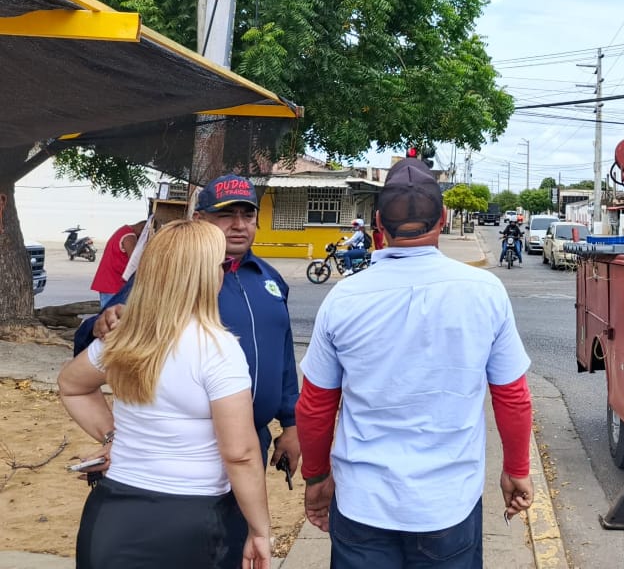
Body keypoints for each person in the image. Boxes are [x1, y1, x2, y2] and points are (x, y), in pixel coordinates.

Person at [296, 157, 534, 569]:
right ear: (443, 217)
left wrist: (316, 478)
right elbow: (512, 396)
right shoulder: (484, 292)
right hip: (448, 503)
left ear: (377, 223)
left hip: (362, 502)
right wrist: (516, 468)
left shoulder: (344, 299)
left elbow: (315, 405)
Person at [78, 174, 300, 569]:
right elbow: (99, 344)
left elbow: (283, 355)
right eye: (225, 215)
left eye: (247, 214)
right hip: (190, 454)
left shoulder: (270, 280)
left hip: (251, 441)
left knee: (232, 547)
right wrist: (100, 323)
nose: (238, 224)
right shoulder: (169, 277)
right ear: (200, 220)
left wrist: (292, 423)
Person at [90, 219, 149, 307]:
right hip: (113, 284)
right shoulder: (129, 236)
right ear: (142, 229)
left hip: (108, 282)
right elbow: (135, 261)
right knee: (112, 316)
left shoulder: (123, 230)